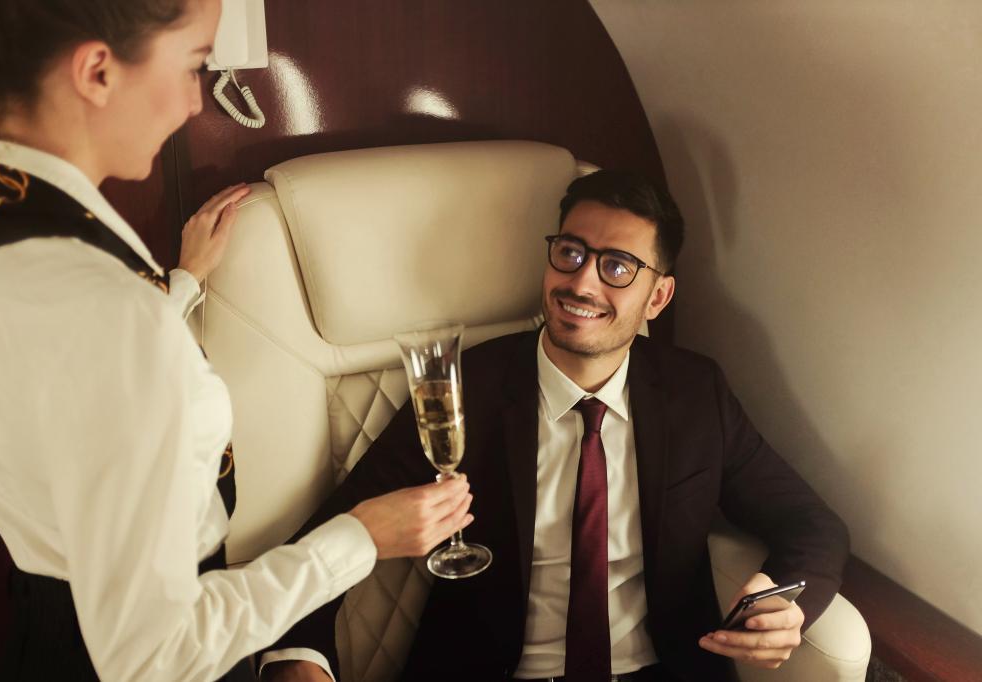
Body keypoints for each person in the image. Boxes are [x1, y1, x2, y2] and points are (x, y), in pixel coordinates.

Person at [0, 1, 473, 680]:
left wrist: (179, 286)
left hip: (43, 631)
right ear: (98, 71)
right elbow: (155, 654)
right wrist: (360, 539)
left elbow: (60, 383)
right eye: (195, 63)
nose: (196, 101)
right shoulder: (111, 315)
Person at [264, 170, 850, 682]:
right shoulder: (466, 386)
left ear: (658, 296)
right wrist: (298, 658)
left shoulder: (696, 393)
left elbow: (811, 524)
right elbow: (336, 530)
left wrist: (785, 602)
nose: (582, 283)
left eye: (617, 266)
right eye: (570, 252)